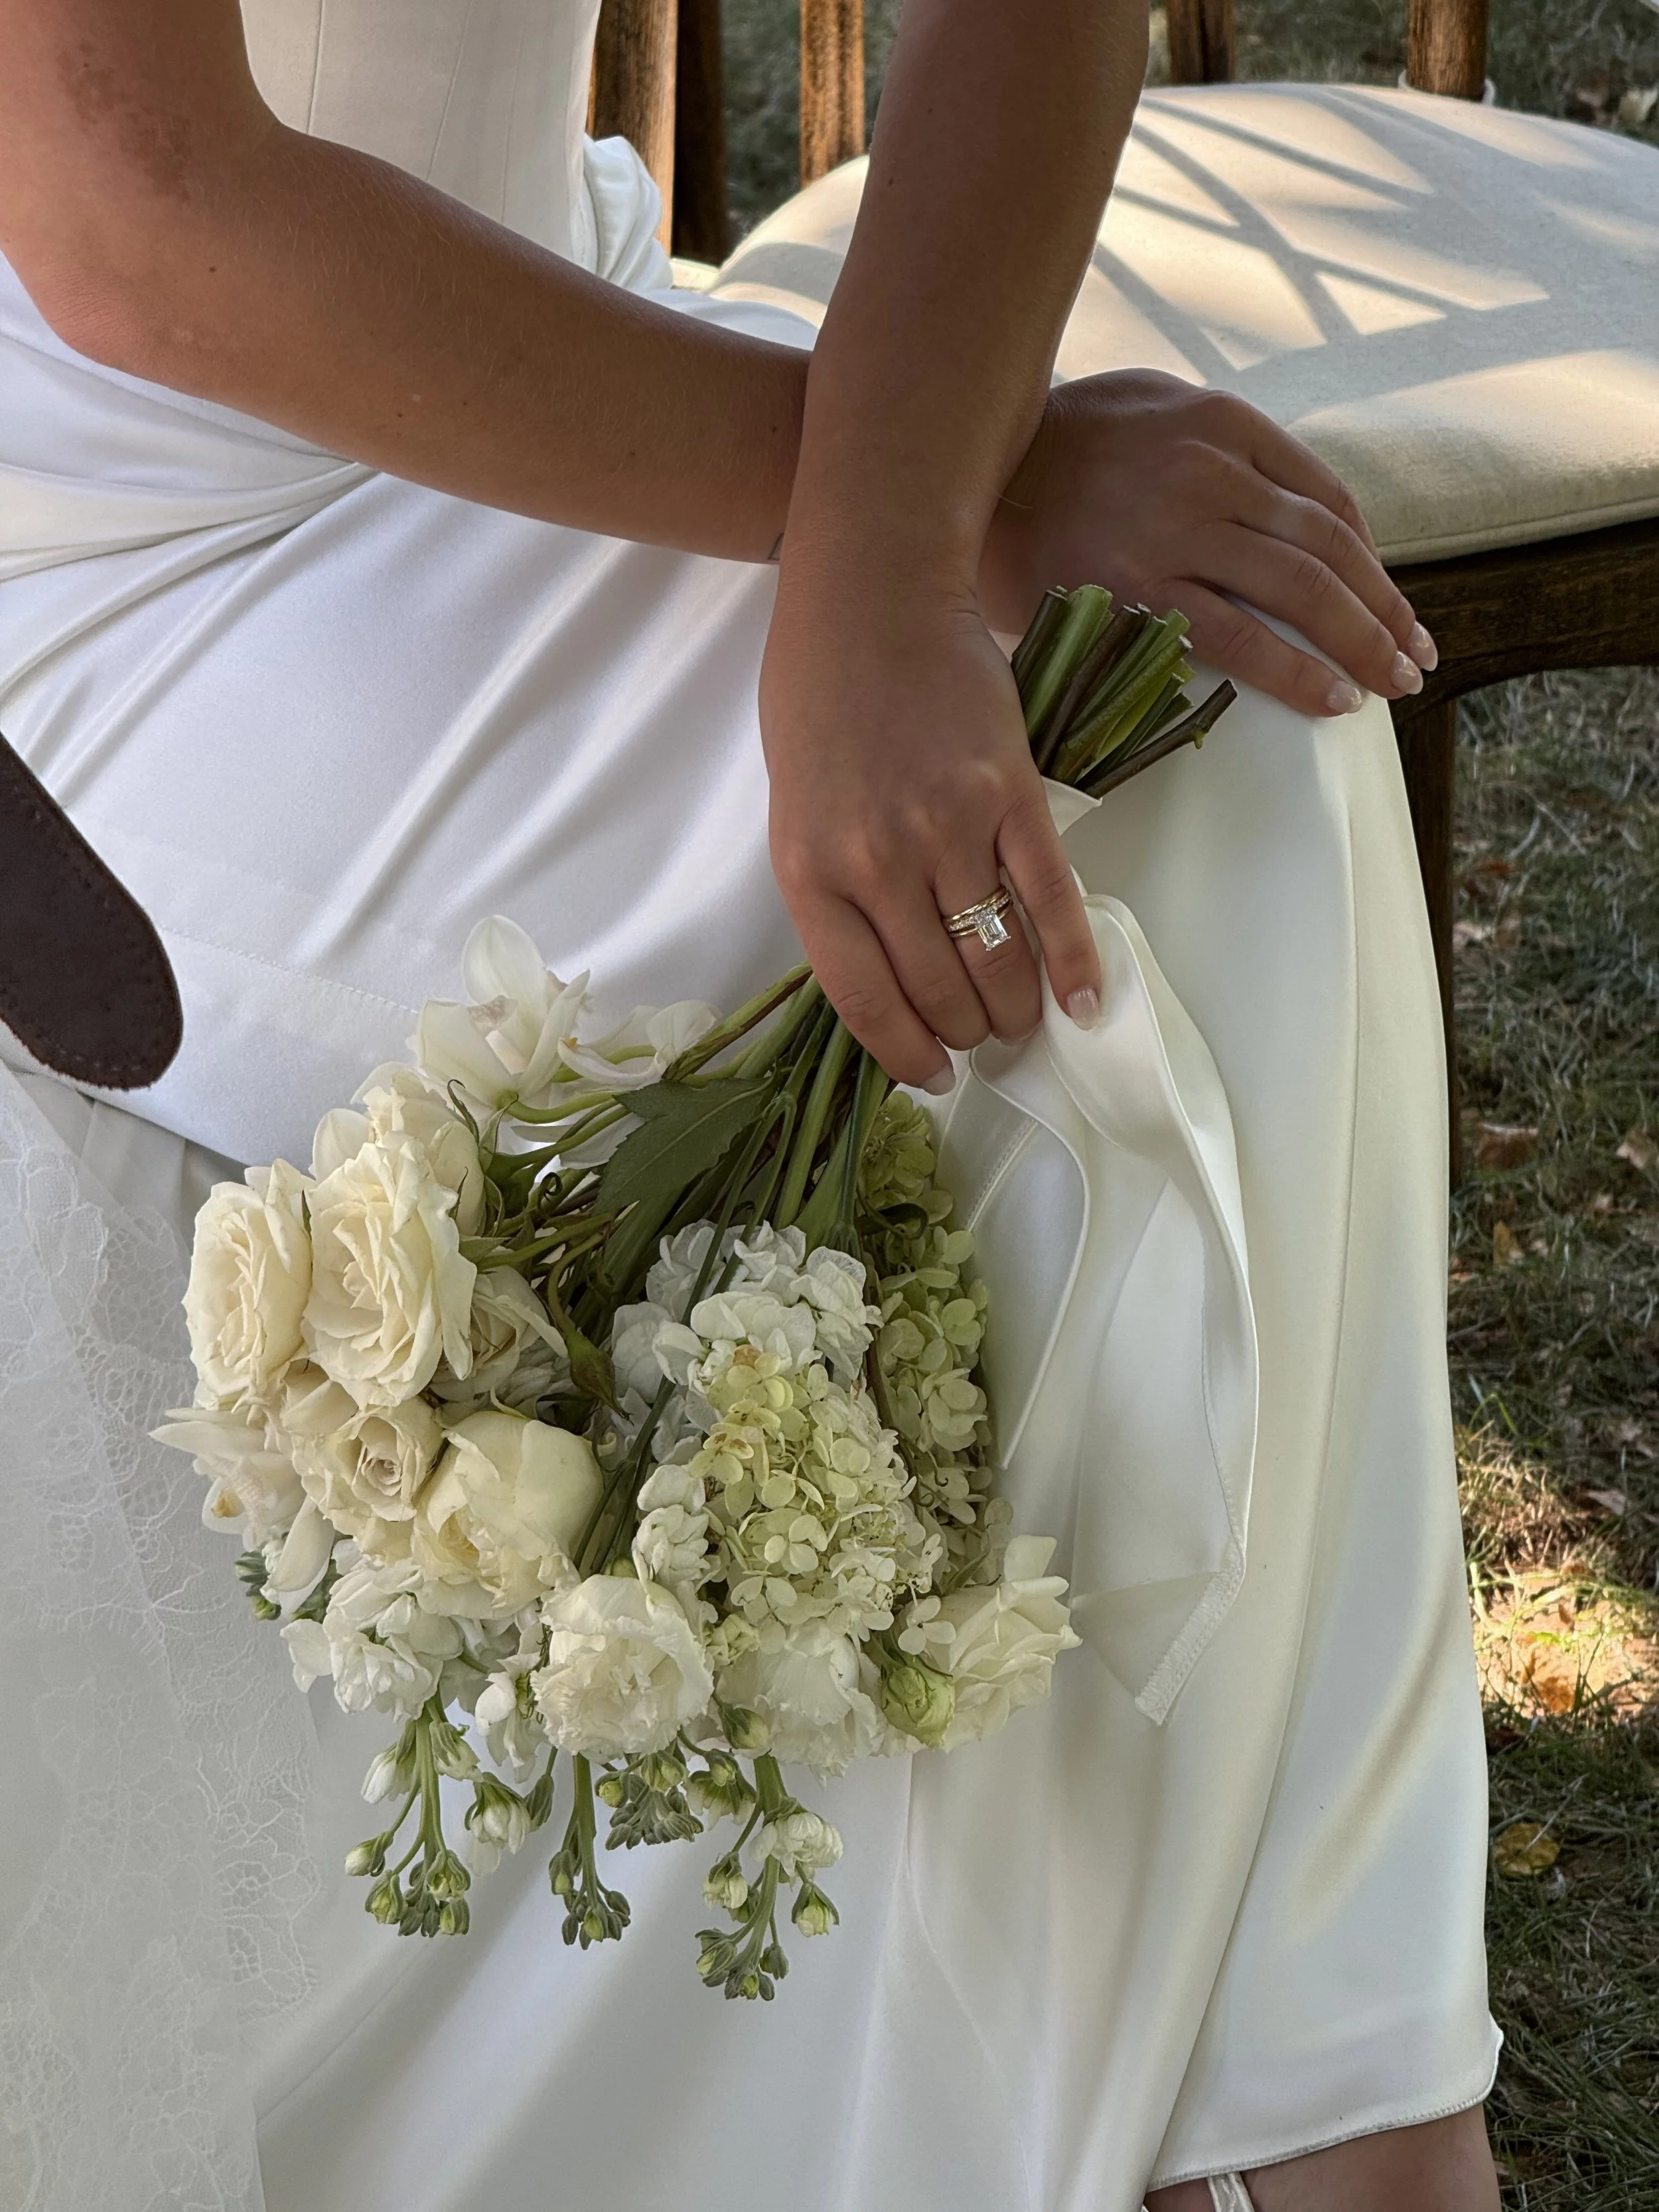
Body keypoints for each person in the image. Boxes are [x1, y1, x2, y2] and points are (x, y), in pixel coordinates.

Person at [0, 3, 1502, 2209]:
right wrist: (898, 538)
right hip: (118, 524)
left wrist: (893, 543)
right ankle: (1295, 2129)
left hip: (536, 343)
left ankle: (1330, 2092)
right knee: (1145, 754)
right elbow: (134, 211)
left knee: (1196, 684)